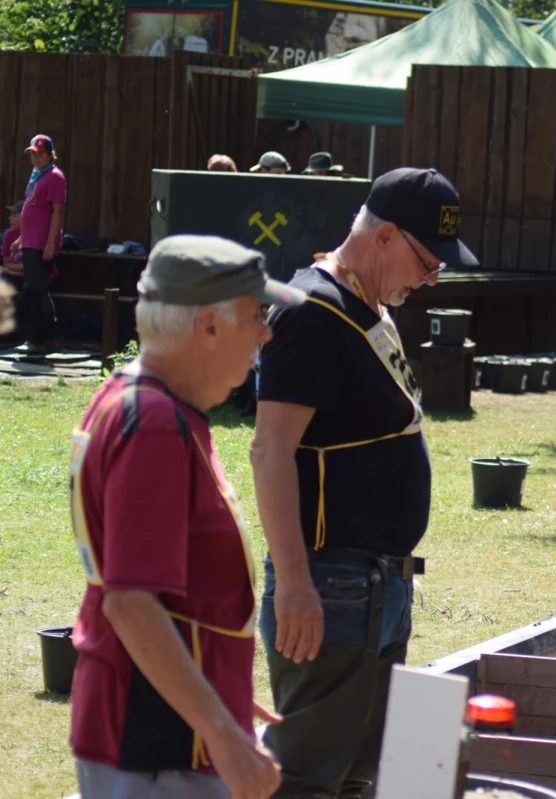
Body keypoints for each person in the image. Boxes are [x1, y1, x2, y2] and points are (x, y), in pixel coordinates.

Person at [252, 168, 476, 798]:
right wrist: (293, 581)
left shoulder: (367, 303)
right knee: (305, 782)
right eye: (427, 261)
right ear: (384, 236)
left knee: (357, 779)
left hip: (378, 585)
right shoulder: (312, 311)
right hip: (330, 586)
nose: (432, 279)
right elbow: (270, 450)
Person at [69, 235, 304, 799]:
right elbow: (131, 604)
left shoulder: (144, 401)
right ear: (209, 326)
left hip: (161, 729)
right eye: (256, 316)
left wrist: (214, 685)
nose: (266, 334)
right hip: (156, 744)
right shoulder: (154, 423)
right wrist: (219, 730)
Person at [14, 134, 66, 354]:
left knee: (34, 290)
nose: (36, 158)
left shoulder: (55, 176)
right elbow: (31, 206)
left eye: (41, 154)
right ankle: (53, 336)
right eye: (33, 154)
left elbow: (57, 212)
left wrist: (50, 243)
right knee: (39, 290)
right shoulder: (37, 174)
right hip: (30, 240)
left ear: (50, 155)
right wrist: (20, 237)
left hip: (42, 243)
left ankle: (36, 339)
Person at [0, 201, 23, 290]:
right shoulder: (8, 234)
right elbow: (6, 264)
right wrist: (22, 268)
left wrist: (11, 271)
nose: (10, 218)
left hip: (32, 279)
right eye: (10, 215)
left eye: (14, 215)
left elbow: (33, 271)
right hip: (13, 277)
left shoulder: (33, 236)